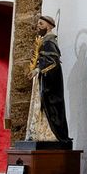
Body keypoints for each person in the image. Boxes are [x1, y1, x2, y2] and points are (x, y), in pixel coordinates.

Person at [26, 14, 69, 143]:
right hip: (42, 79)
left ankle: (49, 134)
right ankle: (40, 132)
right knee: (42, 106)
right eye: (38, 24)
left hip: (49, 80)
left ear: (49, 26)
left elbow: (52, 61)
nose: (38, 27)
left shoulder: (49, 41)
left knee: (49, 107)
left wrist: (38, 69)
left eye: (41, 24)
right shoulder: (44, 40)